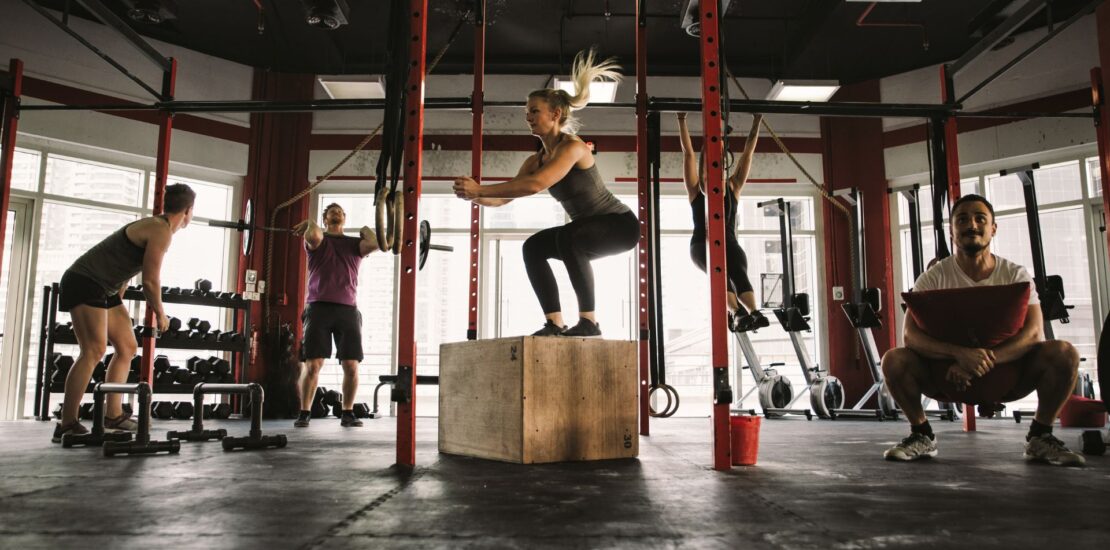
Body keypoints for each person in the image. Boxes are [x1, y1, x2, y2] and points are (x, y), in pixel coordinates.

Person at [881, 194, 1084, 466]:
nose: (971, 225)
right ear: (952, 230)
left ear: (993, 228)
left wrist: (978, 362)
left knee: (1065, 353)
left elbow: (1034, 333)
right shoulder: (934, 277)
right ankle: (921, 434)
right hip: (946, 377)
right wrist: (959, 355)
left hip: (1009, 375)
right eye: (962, 219)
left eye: (980, 219)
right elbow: (910, 336)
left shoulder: (1015, 274)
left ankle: (1040, 436)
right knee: (894, 359)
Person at [453, 49, 638, 337]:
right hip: (584, 229)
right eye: (526, 111)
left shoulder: (572, 147)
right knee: (534, 247)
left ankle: (589, 322)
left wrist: (479, 188)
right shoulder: (536, 159)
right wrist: (473, 195)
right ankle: (555, 322)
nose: (528, 116)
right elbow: (503, 198)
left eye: (534, 111)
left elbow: (535, 185)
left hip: (620, 226)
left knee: (569, 237)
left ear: (555, 114)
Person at [52, 183, 195, 443]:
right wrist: (161, 314)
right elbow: (150, 281)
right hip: (84, 281)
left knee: (127, 347)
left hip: (105, 288)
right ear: (188, 211)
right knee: (93, 351)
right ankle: (67, 423)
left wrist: (116, 300)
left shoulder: (156, 228)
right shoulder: (160, 230)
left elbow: (127, 266)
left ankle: (113, 414)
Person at [677, 111, 768, 332]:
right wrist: (681, 120)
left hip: (730, 244)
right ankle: (737, 312)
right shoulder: (696, 189)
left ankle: (753, 312)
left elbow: (748, 153)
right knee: (720, 275)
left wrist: (757, 120)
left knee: (738, 268)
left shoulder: (733, 186)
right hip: (702, 245)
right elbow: (689, 154)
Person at [291, 203, 379, 428]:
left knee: (351, 365)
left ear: (345, 217)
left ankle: (347, 413)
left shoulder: (354, 244)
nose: (336, 212)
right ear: (324, 218)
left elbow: (376, 242)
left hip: (347, 309)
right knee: (313, 364)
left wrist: (366, 228)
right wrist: (311, 223)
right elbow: (313, 233)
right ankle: (304, 412)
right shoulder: (318, 241)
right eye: (331, 210)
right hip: (318, 307)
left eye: (340, 210)